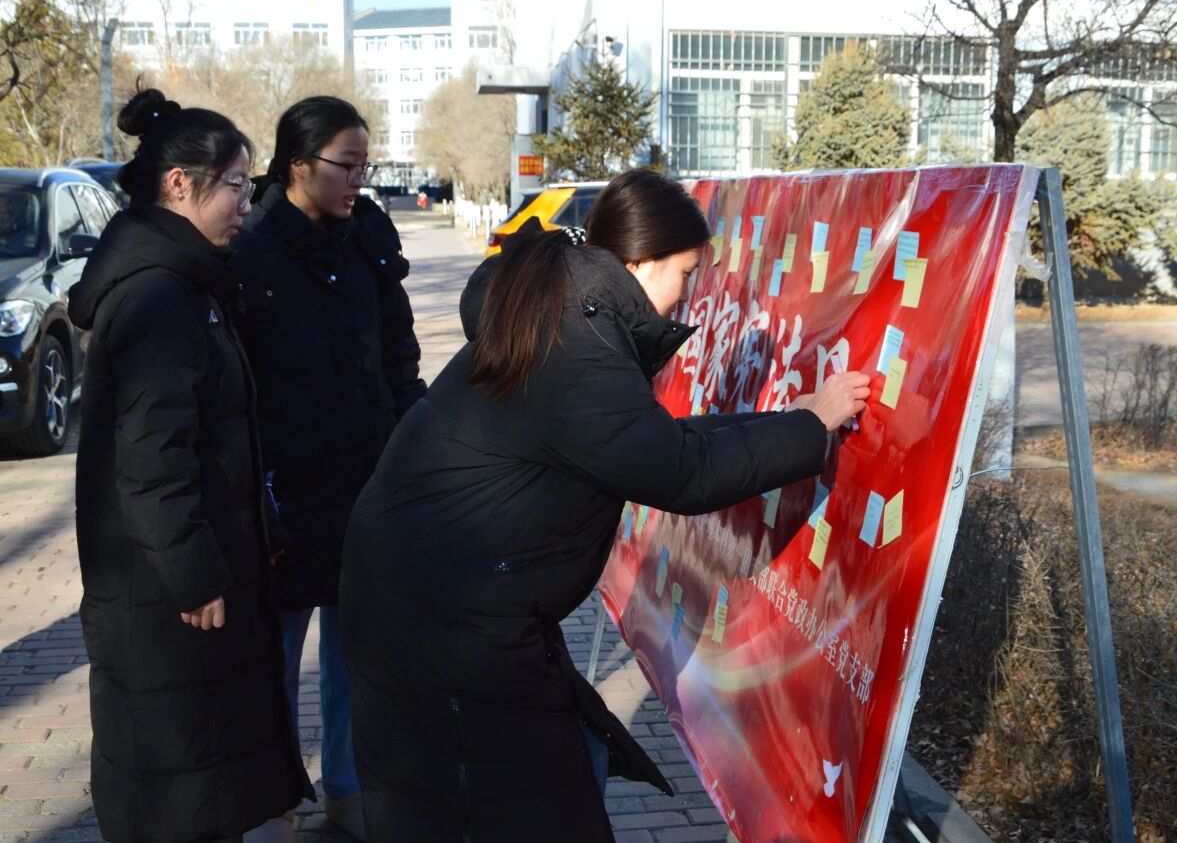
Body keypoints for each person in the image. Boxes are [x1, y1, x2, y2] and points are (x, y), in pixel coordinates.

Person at [340, 169, 872, 841]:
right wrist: (813, 426)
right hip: (446, 625)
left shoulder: (568, 310)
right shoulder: (578, 343)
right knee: (505, 812)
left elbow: (654, 442)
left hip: (436, 599)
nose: (688, 296)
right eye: (685, 273)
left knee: (509, 798)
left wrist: (791, 422)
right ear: (641, 260)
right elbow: (679, 471)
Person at [68, 87, 312, 843]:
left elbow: (219, 433)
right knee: (182, 792)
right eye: (236, 185)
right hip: (167, 593)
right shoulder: (159, 295)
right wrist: (195, 572)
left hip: (199, 567)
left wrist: (261, 527)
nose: (247, 203)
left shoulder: (188, 279)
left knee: (209, 783)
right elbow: (152, 459)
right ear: (179, 183)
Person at [231, 95, 426, 840]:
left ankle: (349, 786)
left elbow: (399, 353)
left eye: (364, 166)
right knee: (273, 657)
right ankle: (273, 799)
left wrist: (412, 443)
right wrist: (251, 488)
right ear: (296, 165)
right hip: (282, 489)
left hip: (365, 479)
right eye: (346, 165)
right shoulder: (250, 248)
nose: (357, 181)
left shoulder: (368, 233)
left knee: (358, 651)